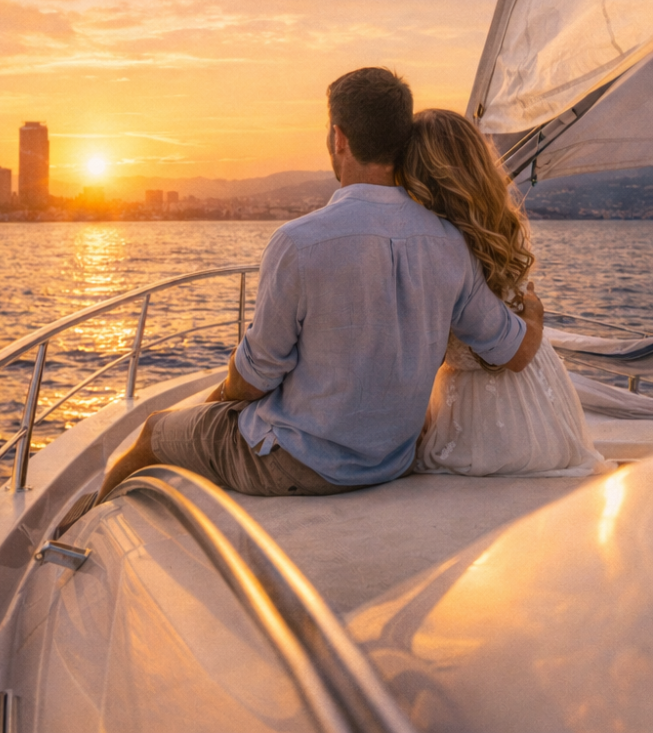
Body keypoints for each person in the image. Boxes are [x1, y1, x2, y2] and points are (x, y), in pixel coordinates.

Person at [58, 68, 541, 533]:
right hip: (390, 461)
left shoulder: (299, 242)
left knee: (154, 432)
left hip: (298, 465)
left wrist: (222, 398)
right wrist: (534, 312)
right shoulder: (449, 242)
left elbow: (255, 376)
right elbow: (511, 351)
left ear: (339, 138)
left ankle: (86, 522)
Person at [399, 109, 610, 477]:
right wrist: (533, 314)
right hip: (533, 392)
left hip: (473, 405)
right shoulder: (500, 225)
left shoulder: (428, 245)